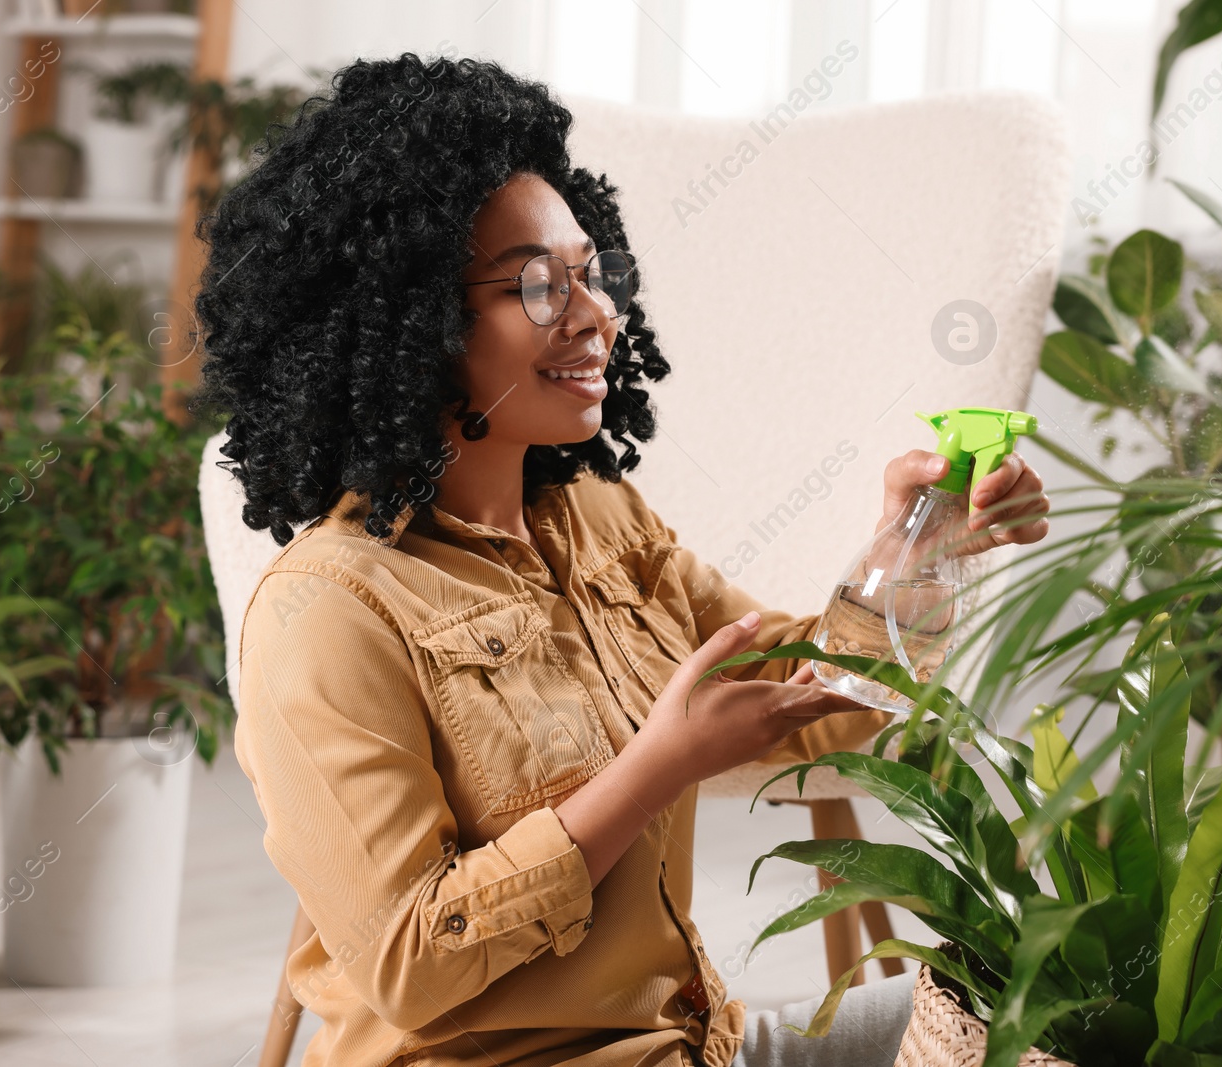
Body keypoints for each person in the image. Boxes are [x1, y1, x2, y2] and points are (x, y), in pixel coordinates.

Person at [194, 53, 1050, 1067]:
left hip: (693, 1047)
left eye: (592, 274)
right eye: (537, 286)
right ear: (406, 317)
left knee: (1049, 990)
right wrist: (657, 767)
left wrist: (917, 545)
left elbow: (826, 706)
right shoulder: (329, 610)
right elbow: (408, 962)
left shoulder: (595, 516)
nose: (598, 315)